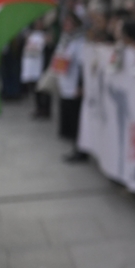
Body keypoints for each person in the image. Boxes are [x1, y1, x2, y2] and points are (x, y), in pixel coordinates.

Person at [53, 8, 88, 162]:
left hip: (74, 85)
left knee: (76, 120)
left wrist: (80, 85)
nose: (67, 26)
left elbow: (81, 65)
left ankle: (80, 150)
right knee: (68, 118)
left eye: (70, 23)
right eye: (65, 23)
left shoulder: (80, 41)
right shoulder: (64, 39)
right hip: (64, 83)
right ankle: (74, 146)